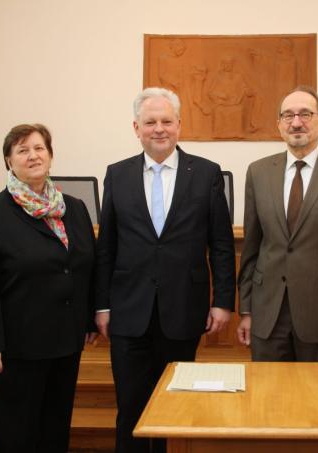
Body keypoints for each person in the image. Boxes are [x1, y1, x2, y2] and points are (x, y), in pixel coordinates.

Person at [95, 87, 236, 453]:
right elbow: (106, 246)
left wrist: (222, 301)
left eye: (166, 121)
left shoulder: (206, 174)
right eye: (150, 122)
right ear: (136, 128)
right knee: (131, 407)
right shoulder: (117, 174)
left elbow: (221, 243)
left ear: (179, 126)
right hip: (128, 311)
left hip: (183, 308)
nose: (159, 129)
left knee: (177, 404)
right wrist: (102, 306)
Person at [0, 123, 98, 452]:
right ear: (9, 161)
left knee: (54, 427)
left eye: (39, 148)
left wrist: (86, 322)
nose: (33, 155)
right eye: (22, 150)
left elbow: (84, 269)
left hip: (65, 342)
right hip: (15, 346)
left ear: (51, 156)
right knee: (15, 432)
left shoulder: (74, 208)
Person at [237, 85, 318, 362]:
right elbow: (251, 248)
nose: (296, 122)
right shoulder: (258, 172)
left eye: (305, 114)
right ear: (279, 124)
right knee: (268, 400)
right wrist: (246, 310)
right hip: (267, 316)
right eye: (288, 115)